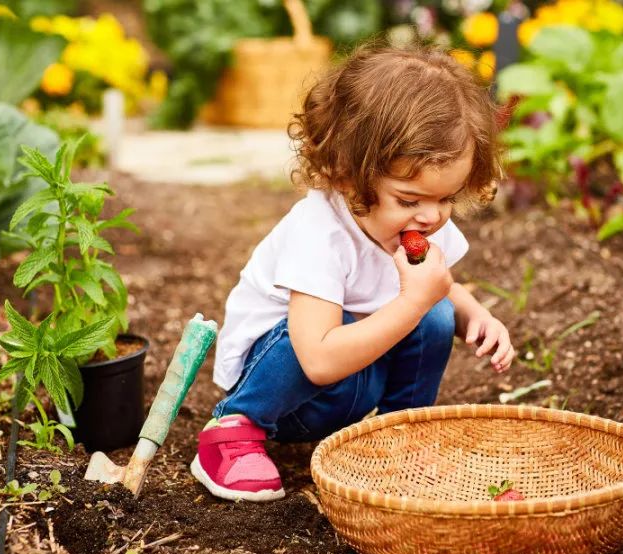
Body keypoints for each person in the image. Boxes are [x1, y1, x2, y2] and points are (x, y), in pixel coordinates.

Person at [191, 44, 515, 502]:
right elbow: (318, 359)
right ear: (347, 175)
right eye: (409, 200)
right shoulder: (318, 233)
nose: (433, 217)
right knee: (370, 316)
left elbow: (435, 289)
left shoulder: (419, 221)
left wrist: (473, 314)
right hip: (291, 397)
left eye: (446, 199)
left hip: (356, 378)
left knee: (438, 313)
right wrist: (416, 301)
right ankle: (233, 431)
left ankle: (401, 436)